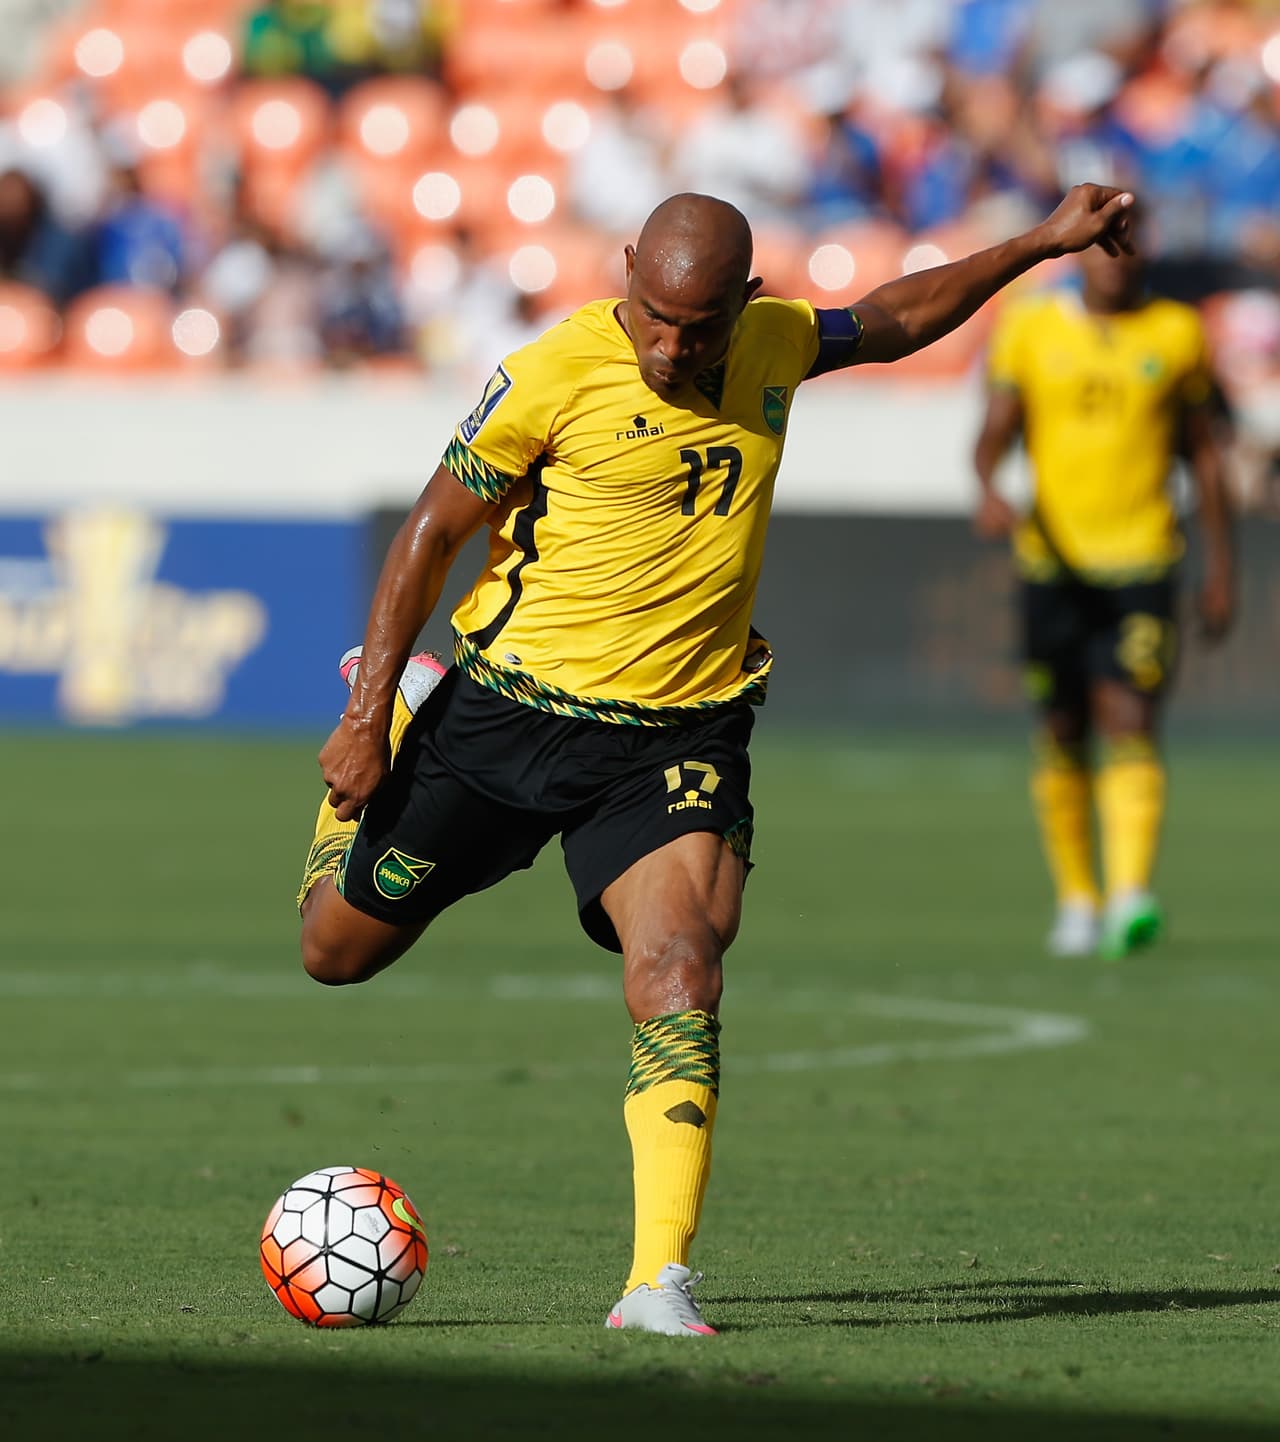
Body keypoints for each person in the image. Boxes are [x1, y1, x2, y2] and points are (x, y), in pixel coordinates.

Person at [298, 184, 1137, 1335]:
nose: (669, 345)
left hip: (675, 733)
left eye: (697, 327)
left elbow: (892, 318)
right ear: (626, 267)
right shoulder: (554, 370)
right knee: (332, 952)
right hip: (504, 717)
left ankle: (655, 1282)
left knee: (683, 965)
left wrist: (1039, 242)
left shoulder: (775, 341)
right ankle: (400, 722)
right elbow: (431, 530)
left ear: (742, 302)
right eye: (650, 313)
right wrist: (363, 717)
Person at [973, 209, 1235, 962]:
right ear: (1076, 253)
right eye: (1100, 244)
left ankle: (1129, 895)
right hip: (1051, 563)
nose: (1115, 259)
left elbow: (1205, 459)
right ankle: (1077, 900)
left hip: (1144, 561)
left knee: (1130, 717)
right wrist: (988, 486)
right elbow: (993, 434)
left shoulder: (1178, 334)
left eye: (1128, 243)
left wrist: (1222, 570)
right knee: (1061, 729)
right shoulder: (1030, 329)